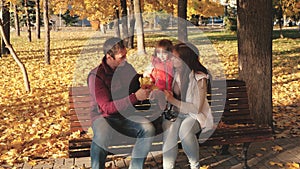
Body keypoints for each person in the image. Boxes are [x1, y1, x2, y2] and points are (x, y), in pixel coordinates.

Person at [88, 37, 155, 169]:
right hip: (103, 117)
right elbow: (107, 108)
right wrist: (135, 97)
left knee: (148, 129)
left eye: (125, 55)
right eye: (121, 57)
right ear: (109, 57)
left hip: (126, 116)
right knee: (102, 134)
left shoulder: (126, 68)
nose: (125, 59)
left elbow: (137, 82)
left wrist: (147, 82)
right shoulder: (96, 76)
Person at [162, 43, 214, 169]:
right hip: (177, 114)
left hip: (195, 115)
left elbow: (196, 108)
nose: (171, 59)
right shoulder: (176, 73)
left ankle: (195, 166)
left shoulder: (199, 78)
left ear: (185, 60)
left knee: (185, 131)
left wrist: (172, 100)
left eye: (175, 57)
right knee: (170, 132)